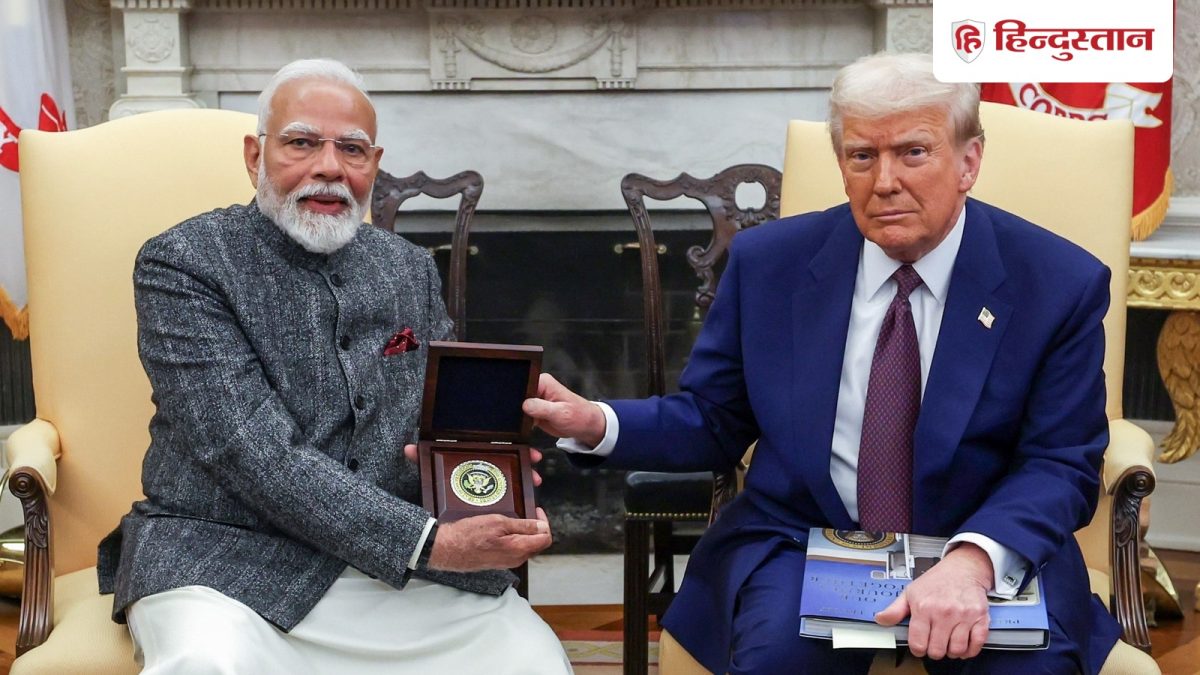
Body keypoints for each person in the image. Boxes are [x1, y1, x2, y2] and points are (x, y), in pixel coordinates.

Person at [525, 52, 1122, 674]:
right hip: (807, 538)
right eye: (862, 156)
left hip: (981, 541)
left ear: (969, 161)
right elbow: (714, 418)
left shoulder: (1056, 283)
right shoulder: (770, 263)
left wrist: (972, 564)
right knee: (774, 661)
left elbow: (1060, 462)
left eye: (913, 153)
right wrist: (596, 423)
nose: (884, 181)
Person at [96, 58, 571, 674]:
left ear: (375, 164)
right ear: (254, 155)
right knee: (208, 662)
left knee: (529, 659)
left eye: (352, 149)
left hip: (392, 573)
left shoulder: (407, 267)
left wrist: (489, 473)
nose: (329, 166)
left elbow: (443, 418)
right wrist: (429, 541)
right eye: (301, 142)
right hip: (222, 560)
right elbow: (247, 448)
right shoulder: (184, 263)